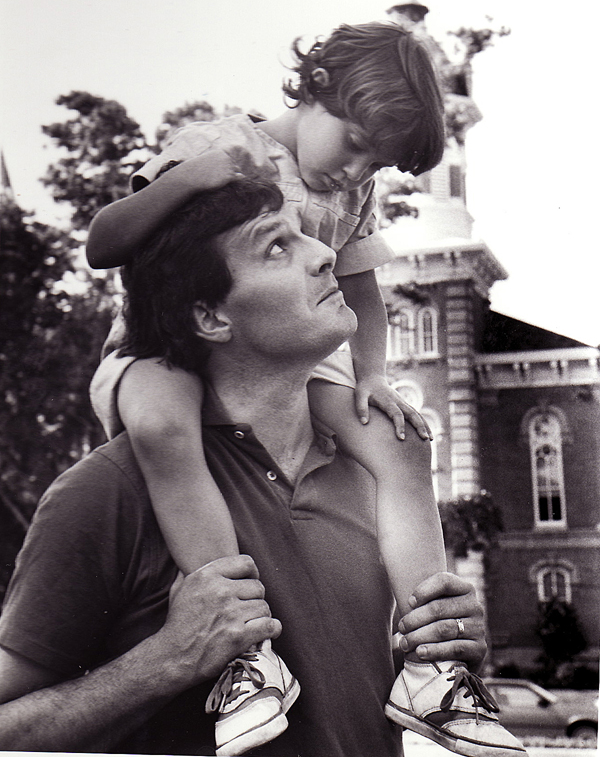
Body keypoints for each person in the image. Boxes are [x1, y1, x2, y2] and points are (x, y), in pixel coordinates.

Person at [84, 22, 518, 756]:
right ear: (316, 87)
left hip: (281, 374)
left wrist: (373, 376)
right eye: (354, 144)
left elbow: (361, 285)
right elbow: (105, 242)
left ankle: (431, 668)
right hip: (175, 349)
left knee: (401, 440)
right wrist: (195, 177)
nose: (357, 170)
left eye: (375, 161)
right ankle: (245, 654)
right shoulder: (218, 143)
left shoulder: (354, 194)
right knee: (161, 424)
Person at [0, 180, 524, 757]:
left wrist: (435, 639)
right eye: (276, 247)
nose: (325, 253)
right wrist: (164, 661)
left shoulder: (377, 477)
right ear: (211, 316)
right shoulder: (112, 491)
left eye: (303, 235)